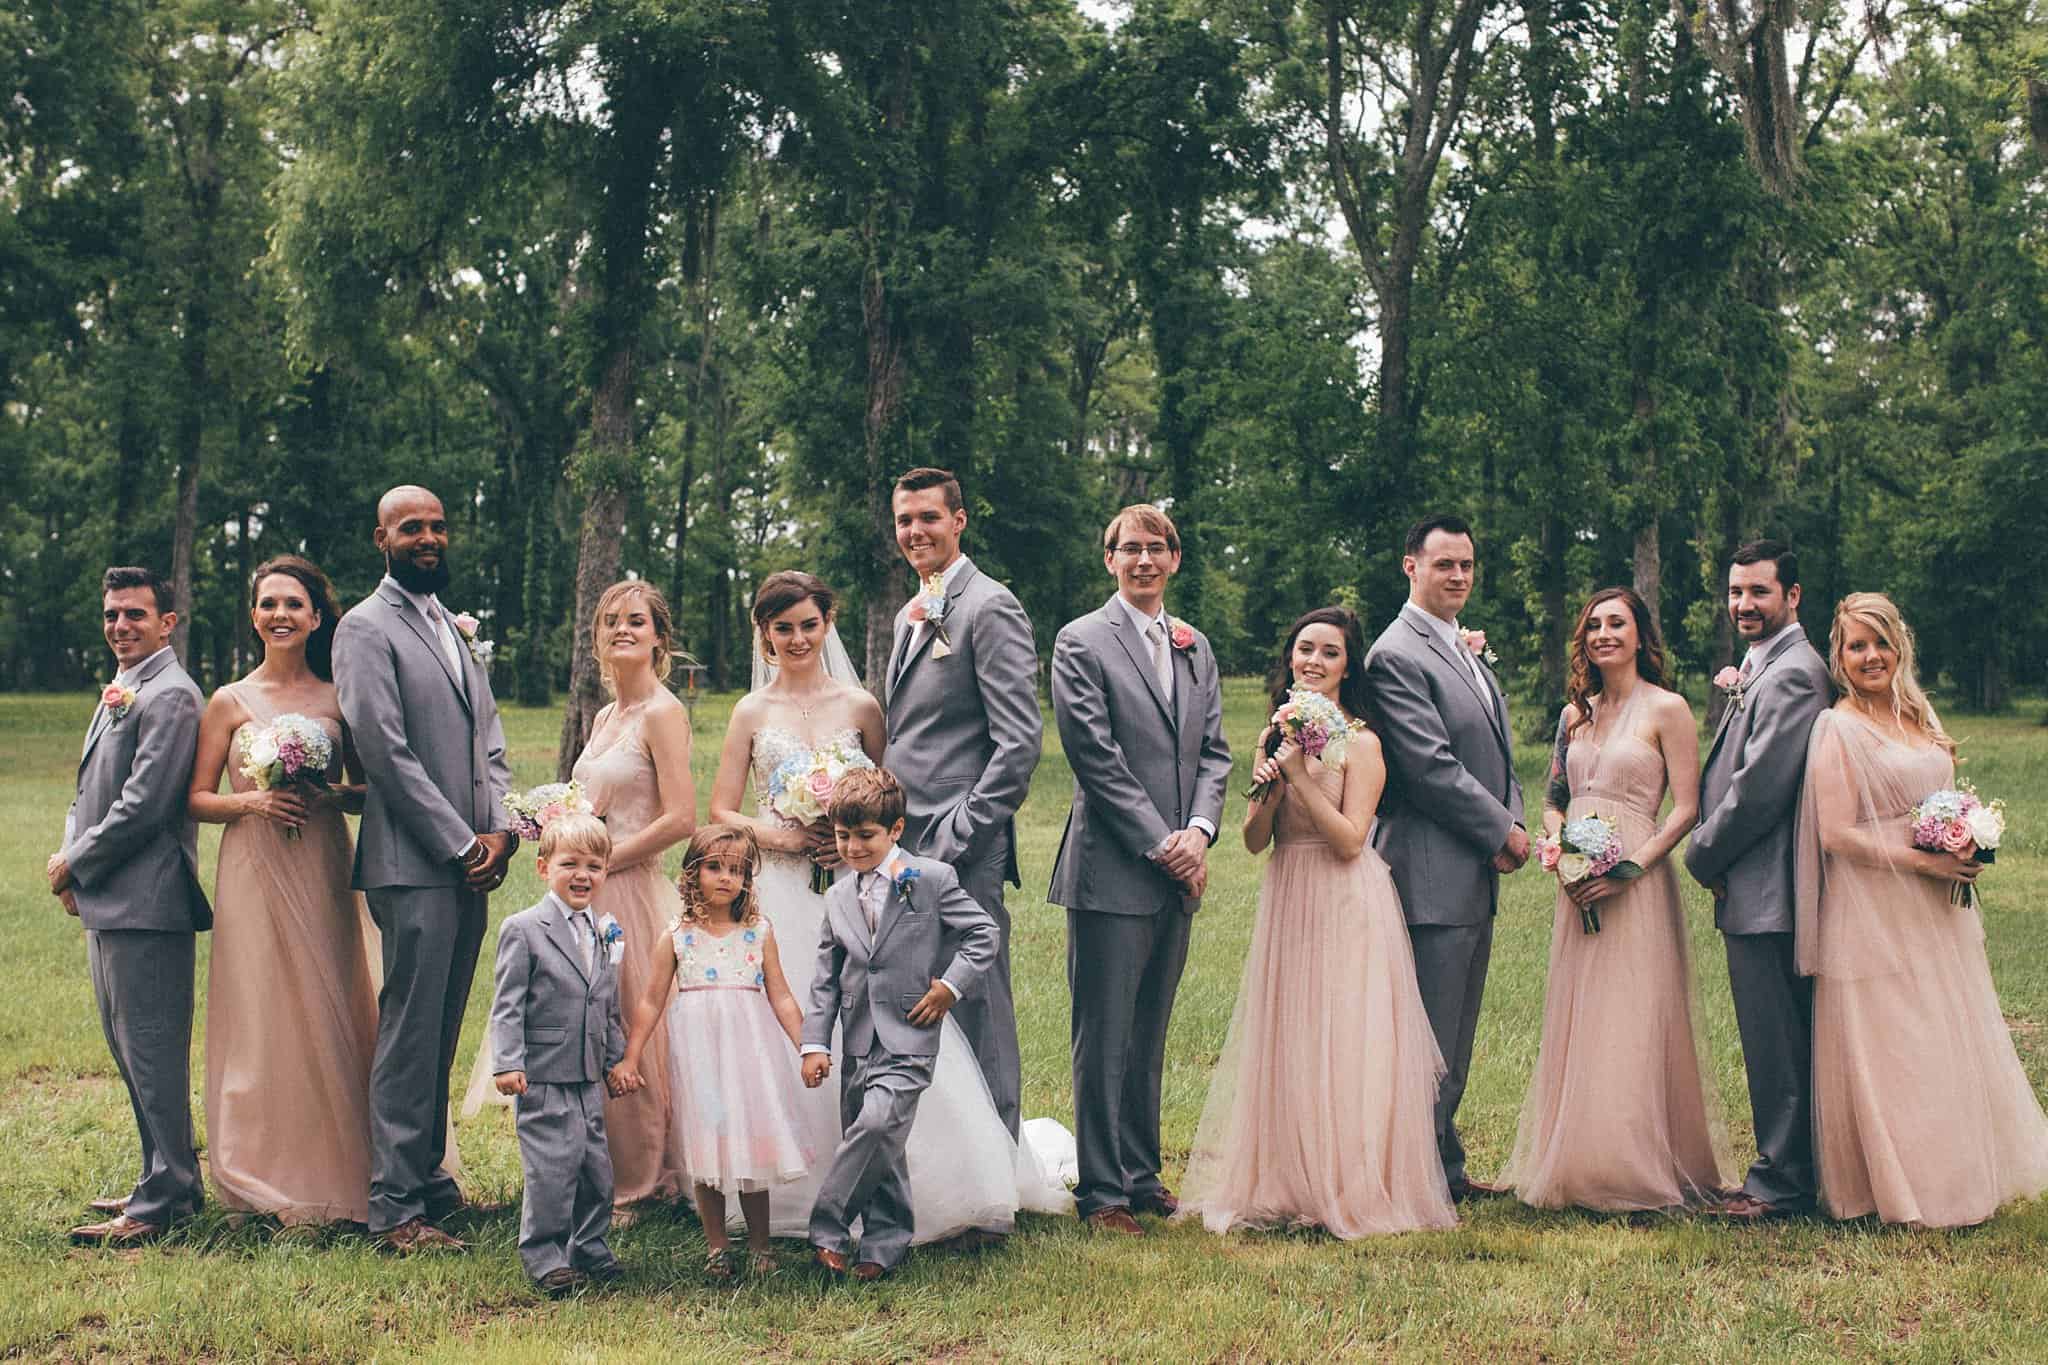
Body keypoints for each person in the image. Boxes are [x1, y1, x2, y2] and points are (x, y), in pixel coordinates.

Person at [709, 570, 1057, 1244]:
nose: (798, 638)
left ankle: (911, 1177)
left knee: (879, 1021)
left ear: (827, 624)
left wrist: (851, 840)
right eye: (783, 628)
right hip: (783, 888)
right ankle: (793, 1180)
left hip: (858, 888)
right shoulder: (750, 712)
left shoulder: (861, 706)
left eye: (809, 625)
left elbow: (886, 794)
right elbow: (723, 808)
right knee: (796, 1024)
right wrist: (785, 835)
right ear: (765, 634)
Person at [1178, 607, 1455, 1238]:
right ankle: (1291, 1177)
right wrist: (1270, 791)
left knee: (1343, 1033)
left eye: (1330, 652)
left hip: (1345, 896)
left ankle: (1349, 1182)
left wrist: (1301, 776)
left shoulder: (1363, 743)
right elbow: (1254, 841)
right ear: (1290, 657)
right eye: (1305, 649)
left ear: (1347, 667)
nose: (1314, 661)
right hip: (1290, 891)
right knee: (1293, 1032)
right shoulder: (1273, 734)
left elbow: (1352, 841)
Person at [1795, 593, 2048, 1227]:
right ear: (1840, 657)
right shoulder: (1837, 727)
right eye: (1857, 646)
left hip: (1937, 906)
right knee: (1895, 1040)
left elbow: (1941, 794)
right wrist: (1925, 863)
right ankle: (1898, 1184)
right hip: (1872, 903)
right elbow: (1836, 833)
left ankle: (1956, 1166)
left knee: (1941, 1032)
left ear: (1899, 646)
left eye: (1881, 642)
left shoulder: (1919, 713)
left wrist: (1966, 837)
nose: (1871, 656)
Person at [462, 580, 694, 1221]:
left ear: (659, 637)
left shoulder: (663, 713)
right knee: (582, 1024)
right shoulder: (604, 717)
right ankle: (593, 1163)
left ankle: (642, 1178)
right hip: (586, 893)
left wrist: (602, 860)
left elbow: (681, 818)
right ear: (596, 636)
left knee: (628, 1028)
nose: (623, 629)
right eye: (611, 620)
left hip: (630, 891)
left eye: (637, 620)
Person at [1500, 588, 1728, 1211]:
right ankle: (1581, 1159)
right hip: (1577, 880)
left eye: (1617, 623)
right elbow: (1552, 799)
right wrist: (1561, 852)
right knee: (1585, 1012)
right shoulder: (1575, 715)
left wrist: (1631, 868)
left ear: (1639, 634)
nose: (1604, 634)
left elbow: (1686, 809)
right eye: (1594, 625)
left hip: (1637, 879)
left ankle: (1637, 1164)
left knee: (1634, 1010)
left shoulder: (1669, 709)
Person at [334, 484, 518, 1253]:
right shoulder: (363, 627)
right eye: (411, 527)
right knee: (411, 1032)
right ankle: (395, 1207)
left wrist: (501, 829)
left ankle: (429, 1178)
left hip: (472, 859)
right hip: (413, 863)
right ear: (381, 537)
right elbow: (383, 749)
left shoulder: (449, 623)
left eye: (438, 525)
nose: (429, 537)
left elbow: (491, 740)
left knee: (441, 1026)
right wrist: (458, 841)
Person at [1048, 504, 1233, 1236]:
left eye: (1157, 548)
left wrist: (1200, 831)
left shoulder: (1194, 645)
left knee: (1150, 1030)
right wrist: (1164, 843)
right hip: (1112, 870)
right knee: (1104, 1036)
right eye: (1130, 549)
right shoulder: (1081, 641)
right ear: (1110, 559)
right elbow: (1095, 756)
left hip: (1178, 870)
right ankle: (1102, 1191)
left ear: (1175, 559)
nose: (1144, 559)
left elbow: (1214, 751)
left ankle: (1142, 1173)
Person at [189, 556, 378, 1230]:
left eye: (294, 604)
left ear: (317, 617)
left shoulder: (337, 697)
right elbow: (196, 797)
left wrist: (329, 794)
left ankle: (339, 1166)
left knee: (331, 995)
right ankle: (257, 1174)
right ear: (254, 616)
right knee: (259, 1007)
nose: (280, 614)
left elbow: (366, 790)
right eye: (269, 603)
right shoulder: (228, 700)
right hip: (252, 864)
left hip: (322, 861)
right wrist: (254, 802)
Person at [1364, 514, 1527, 1201]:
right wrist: (1502, 831)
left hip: (1470, 872)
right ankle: (1409, 1176)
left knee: (1455, 1032)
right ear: (1411, 567)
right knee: (1427, 1036)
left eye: (1466, 564)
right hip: (1428, 870)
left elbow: (1497, 749)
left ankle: (1443, 1165)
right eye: (1443, 564)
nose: (1458, 575)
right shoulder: (1396, 654)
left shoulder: (1460, 644)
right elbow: (1429, 768)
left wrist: (1516, 815)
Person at [52, 566, 212, 1246]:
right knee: (128, 1051)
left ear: (167, 622)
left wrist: (76, 861)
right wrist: (72, 865)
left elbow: (144, 805)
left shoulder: (172, 694)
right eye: (112, 614)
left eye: (135, 614)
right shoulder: (126, 686)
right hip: (110, 900)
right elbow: (88, 790)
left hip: (149, 902)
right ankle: (162, 1177)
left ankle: (166, 1198)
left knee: (152, 1053)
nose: (120, 625)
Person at [882, 466, 1042, 1136]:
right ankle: (947, 1154)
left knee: (977, 999)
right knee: (920, 1000)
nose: (915, 530)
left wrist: (959, 832)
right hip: (903, 842)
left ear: (959, 521)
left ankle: (999, 1157)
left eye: (929, 517)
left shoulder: (989, 606)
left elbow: (1019, 743)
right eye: (905, 520)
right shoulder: (909, 613)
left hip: (962, 846)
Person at [800, 768, 1000, 1280]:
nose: (853, 847)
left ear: (896, 830)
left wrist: (949, 986)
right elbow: (826, 979)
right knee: (879, 1144)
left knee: (876, 1124)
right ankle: (883, 1246)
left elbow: (983, 933)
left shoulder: (930, 879)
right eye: (843, 836)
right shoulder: (837, 896)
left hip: (910, 1032)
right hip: (857, 1038)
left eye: (865, 835)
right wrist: (815, 1043)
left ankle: (826, 1226)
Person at [1683, 541, 1830, 1222]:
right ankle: (1783, 1170)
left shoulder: (1795, 673)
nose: (1743, 604)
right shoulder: (1761, 665)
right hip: (1754, 882)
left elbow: (1759, 790)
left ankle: (1782, 1183)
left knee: (1777, 1040)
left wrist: (1701, 854)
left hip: (1772, 885)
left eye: (1758, 592)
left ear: (1792, 596)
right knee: (1771, 1036)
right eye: (1736, 591)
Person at [617, 824, 814, 1278]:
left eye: (736, 871)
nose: (726, 878)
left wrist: (808, 1047)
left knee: (753, 1147)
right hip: (700, 1060)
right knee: (709, 1145)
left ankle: (760, 1245)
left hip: (749, 1059)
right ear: (693, 872)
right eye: (714, 867)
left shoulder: (758, 932)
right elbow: (650, 1002)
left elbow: (782, 997)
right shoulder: (677, 935)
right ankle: (717, 1246)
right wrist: (631, 1055)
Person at [488, 813, 634, 1296]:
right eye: (569, 864)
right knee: (552, 1169)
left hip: (588, 1073)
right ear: (543, 867)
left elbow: (606, 1003)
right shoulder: (524, 929)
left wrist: (615, 1060)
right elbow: (507, 1005)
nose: (582, 875)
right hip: (544, 1073)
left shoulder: (604, 931)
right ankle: (545, 1255)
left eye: (594, 866)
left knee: (596, 1169)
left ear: (606, 871)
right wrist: (509, 1062)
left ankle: (588, 1245)